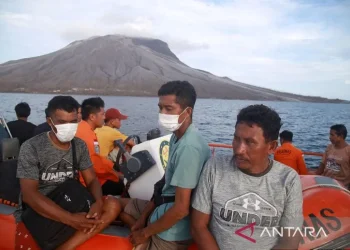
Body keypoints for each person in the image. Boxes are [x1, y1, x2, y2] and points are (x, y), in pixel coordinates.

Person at [191, 104, 303, 250]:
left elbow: (289, 240)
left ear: (272, 147)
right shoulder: (216, 167)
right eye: (236, 139)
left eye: (250, 142)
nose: (239, 149)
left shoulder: (288, 179)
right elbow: (198, 226)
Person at [14, 95, 119, 250]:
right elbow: (30, 195)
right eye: (62, 122)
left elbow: (91, 180)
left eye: (72, 122)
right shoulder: (32, 147)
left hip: (70, 200)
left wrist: (98, 202)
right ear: (49, 121)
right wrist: (71, 220)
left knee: (113, 205)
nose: (68, 126)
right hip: (41, 210)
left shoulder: (79, 145)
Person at [117, 81, 211, 250]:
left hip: (173, 230)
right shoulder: (177, 137)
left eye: (168, 109)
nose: (162, 113)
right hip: (161, 206)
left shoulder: (189, 148)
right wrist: (142, 219)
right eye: (160, 108)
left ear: (187, 111)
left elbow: (181, 209)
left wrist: (144, 233)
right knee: (114, 204)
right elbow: (162, 186)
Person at [75, 97, 124, 196]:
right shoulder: (85, 135)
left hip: (93, 175)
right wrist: (116, 175)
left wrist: (112, 169)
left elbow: (97, 158)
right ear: (92, 117)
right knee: (123, 186)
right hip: (86, 181)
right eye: (102, 114)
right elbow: (94, 165)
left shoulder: (87, 130)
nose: (104, 118)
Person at [315, 124, 350, 188]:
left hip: (342, 186)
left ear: (341, 136)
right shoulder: (329, 147)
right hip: (325, 182)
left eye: (332, 135)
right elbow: (321, 168)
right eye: (329, 134)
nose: (329, 137)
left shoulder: (348, 151)